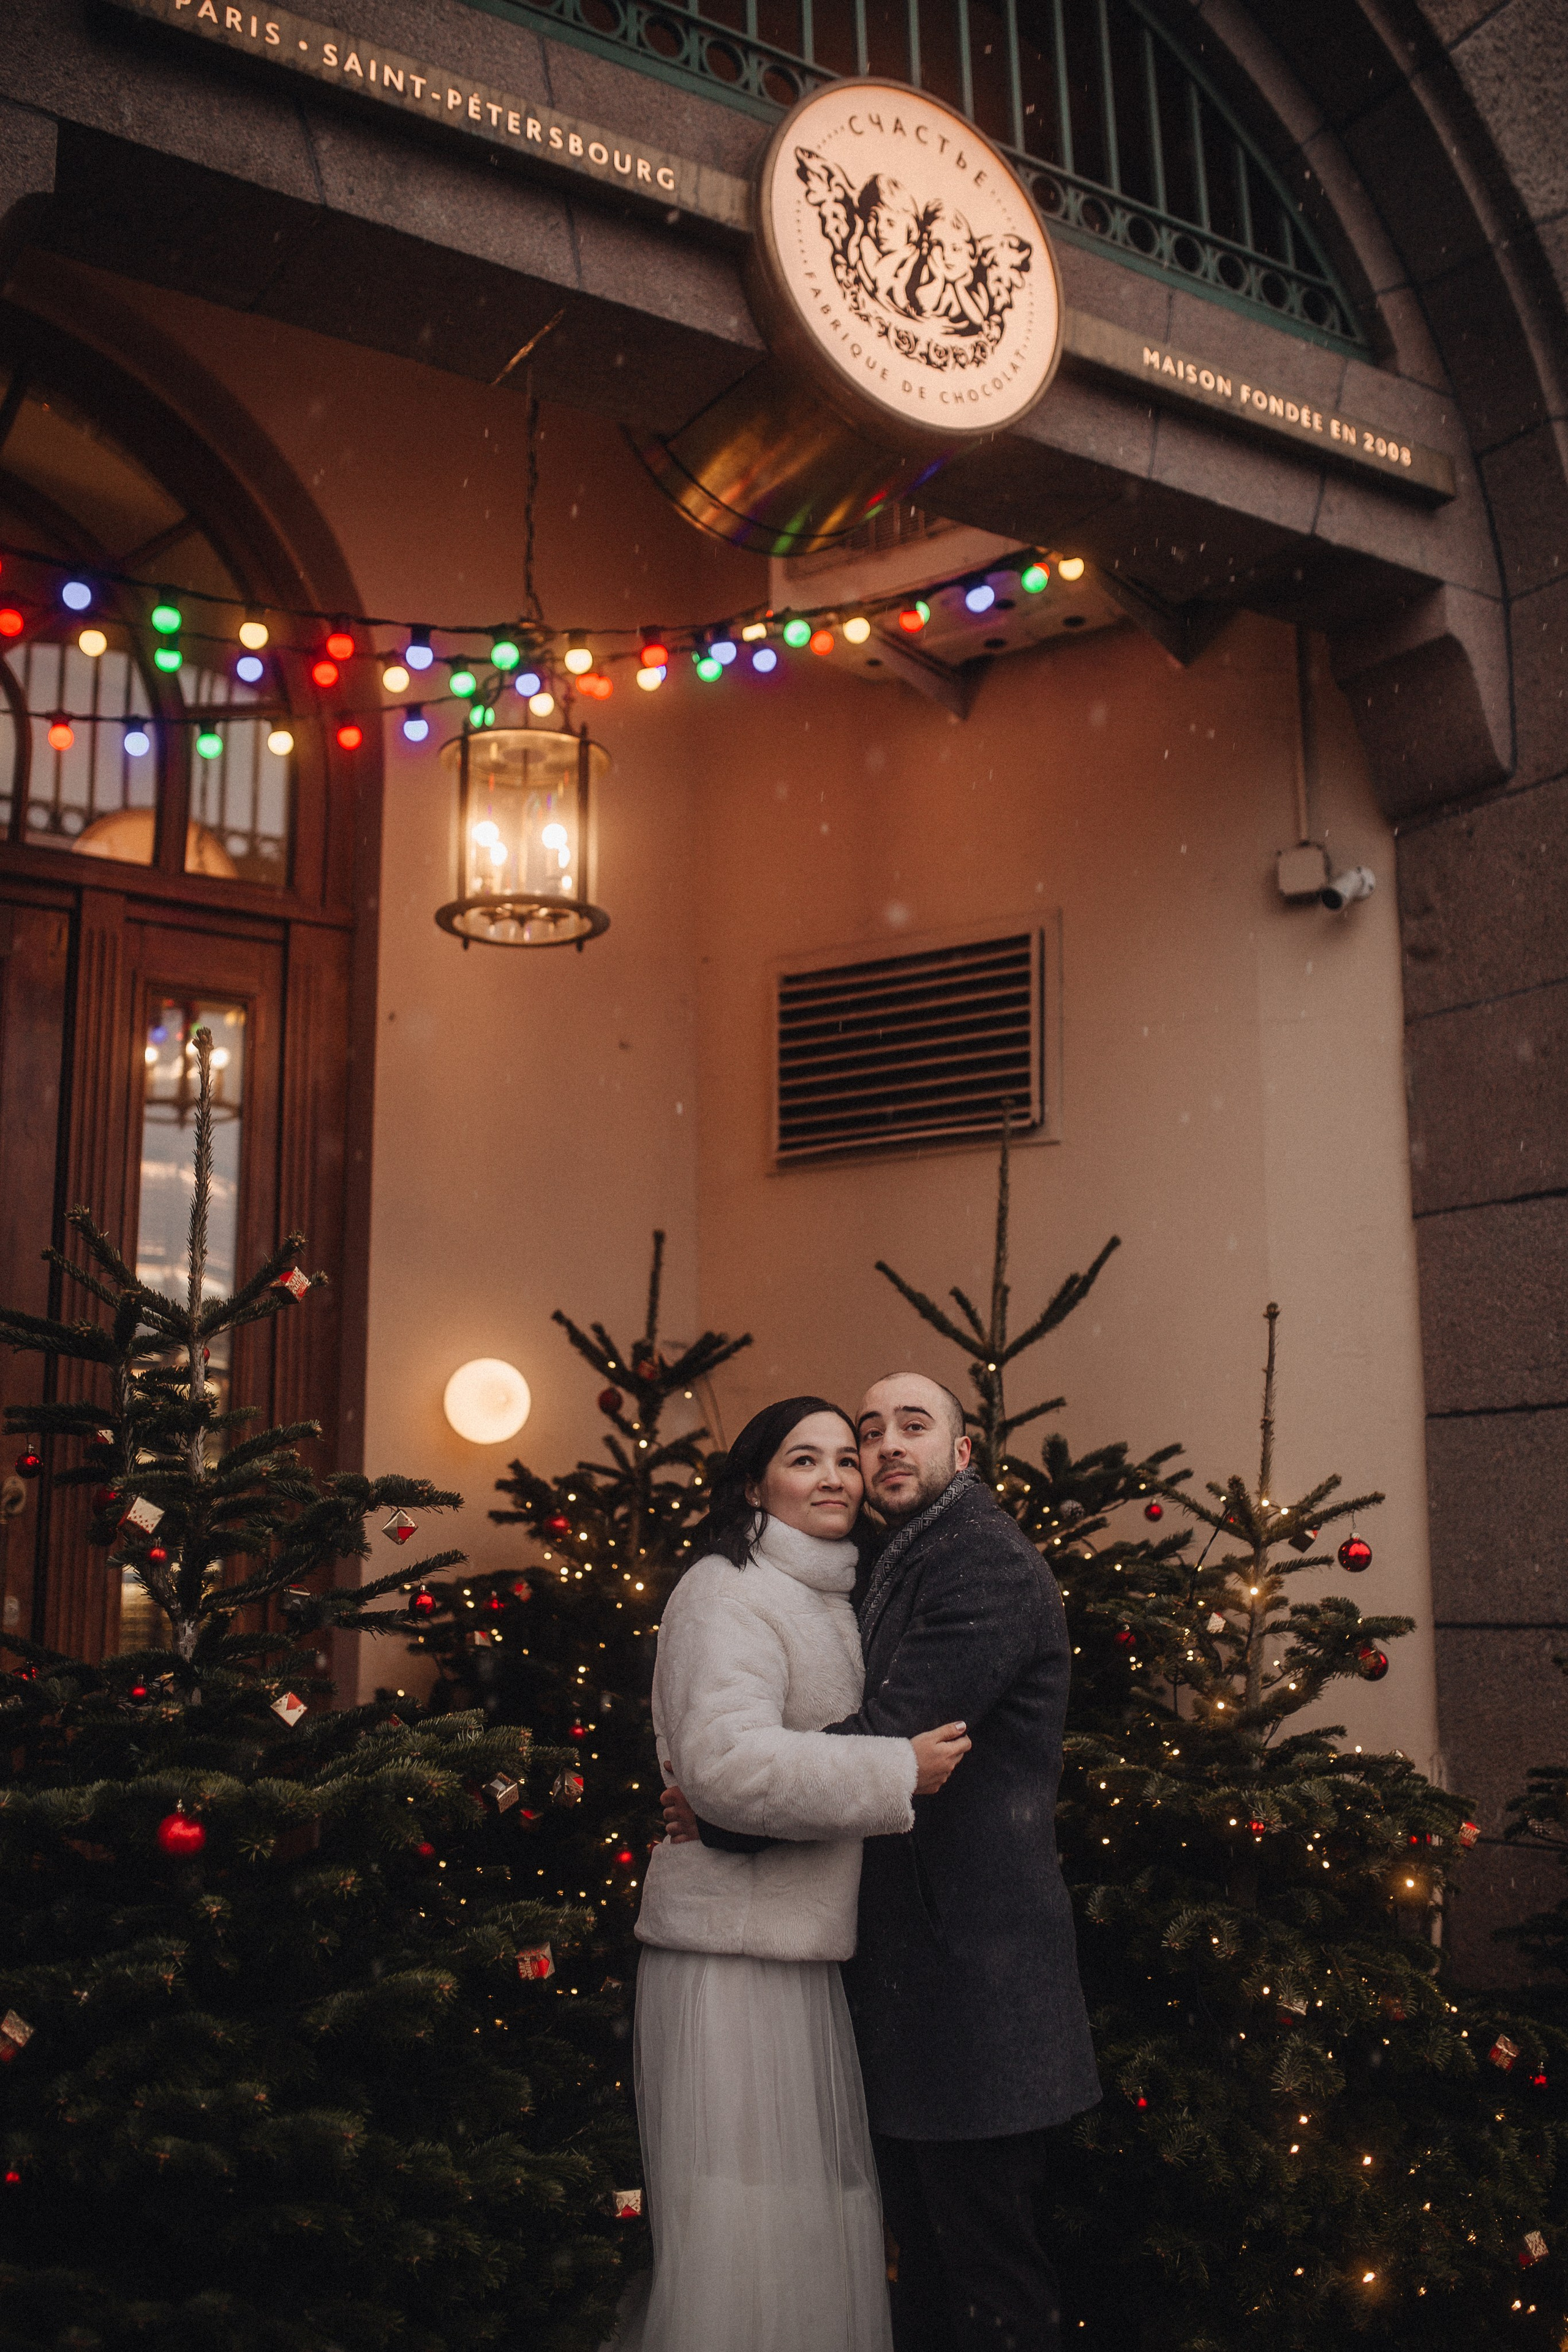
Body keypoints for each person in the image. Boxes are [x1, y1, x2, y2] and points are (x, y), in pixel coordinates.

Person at [665, 1371, 1099, 2352]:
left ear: (963, 1452)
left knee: (987, 2272)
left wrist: (726, 1814)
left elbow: (895, 1735)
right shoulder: (885, 1558)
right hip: (917, 1976)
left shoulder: (981, 1564)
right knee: (929, 2268)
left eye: (915, 1425)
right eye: (871, 1433)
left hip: (975, 1982)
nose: (885, 1447)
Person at [626, 1395, 971, 2352]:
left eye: (843, 1461)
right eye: (802, 1460)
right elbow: (729, 1767)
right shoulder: (724, 1591)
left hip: (798, 1945)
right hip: (732, 1955)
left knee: (806, 2221)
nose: (832, 1477)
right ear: (753, 1485)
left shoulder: (829, 1594)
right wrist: (894, 1767)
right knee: (750, 2234)